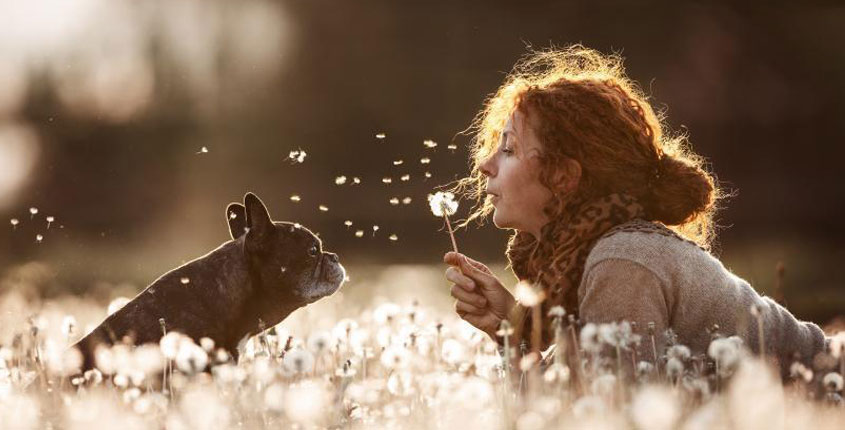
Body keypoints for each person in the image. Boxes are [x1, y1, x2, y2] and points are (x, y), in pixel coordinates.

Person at [443, 45, 830, 378]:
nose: (484, 165)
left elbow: (614, 413)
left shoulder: (622, 261)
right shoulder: (594, 256)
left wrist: (520, 343)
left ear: (563, 176)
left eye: (508, 149)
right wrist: (515, 331)